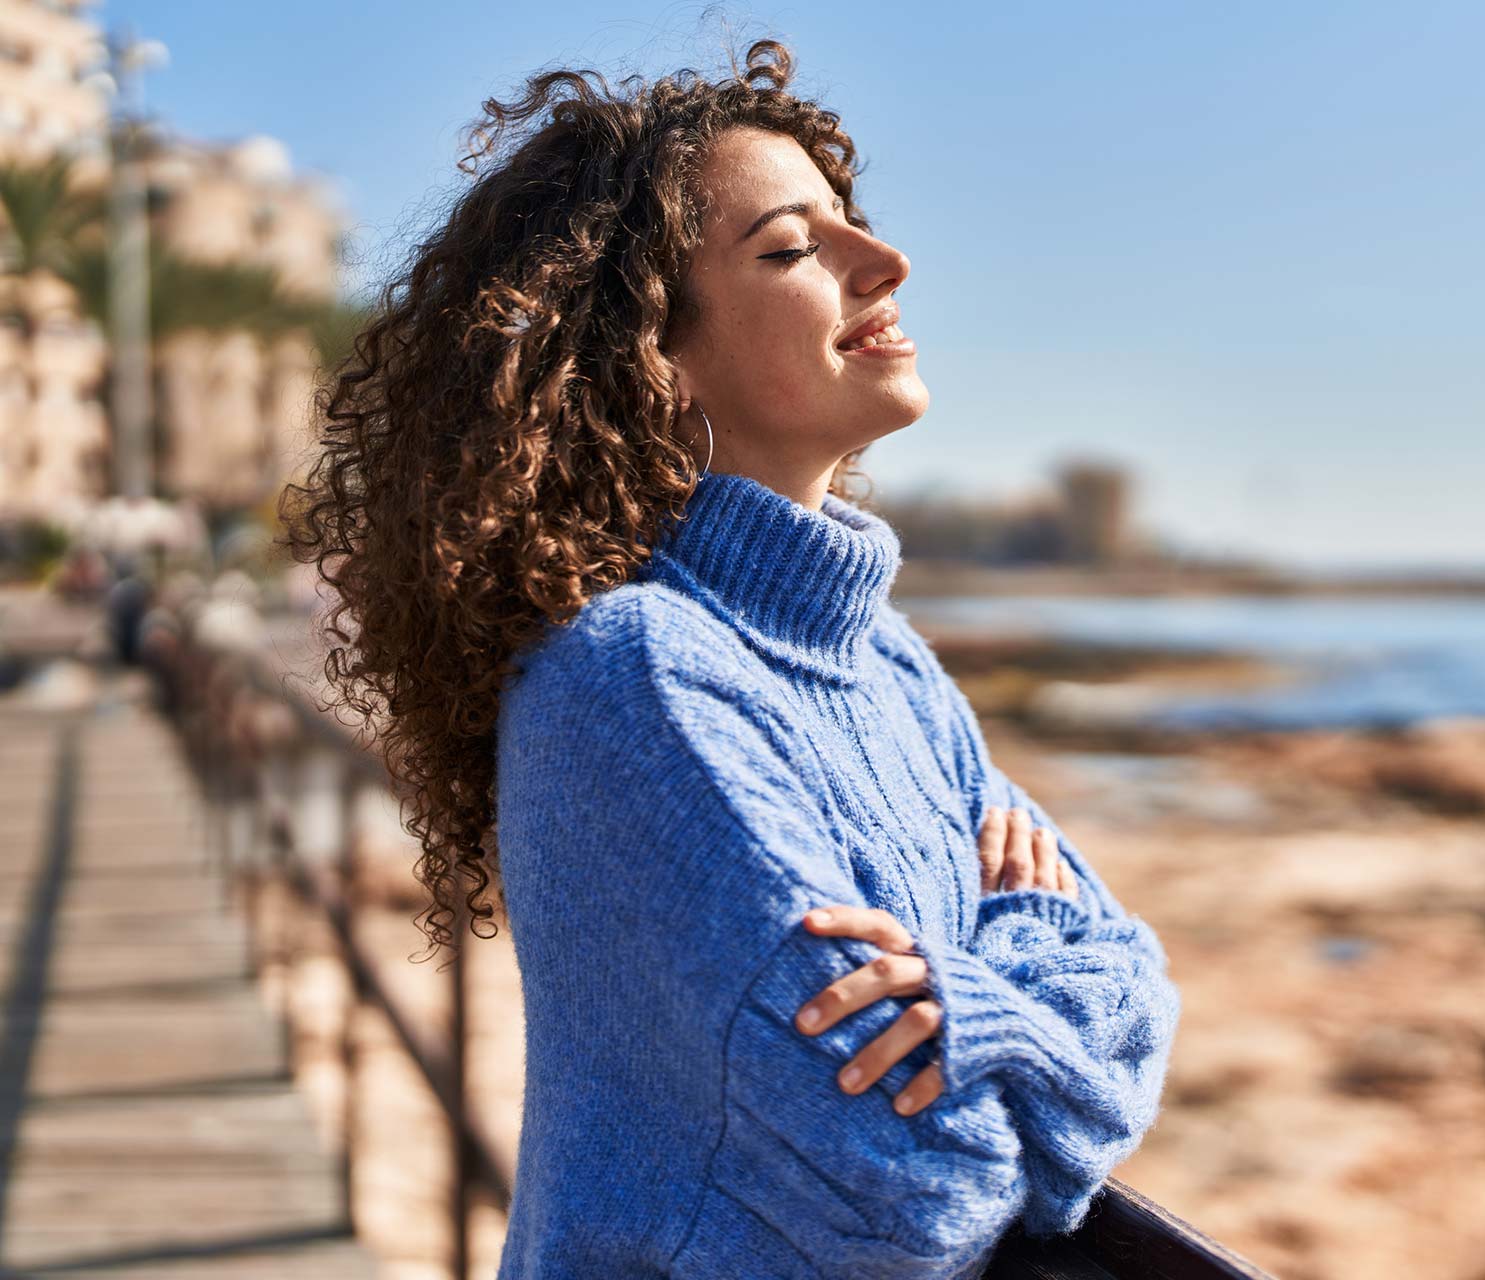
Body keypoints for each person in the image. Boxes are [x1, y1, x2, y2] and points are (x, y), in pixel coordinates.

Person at [279, 39, 1179, 1278]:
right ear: (657, 352)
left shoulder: (889, 659)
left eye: (851, 221)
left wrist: (974, 1008)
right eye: (796, 247)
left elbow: (1140, 983)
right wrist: (1021, 938)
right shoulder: (635, 678)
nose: (888, 260)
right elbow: (915, 1188)